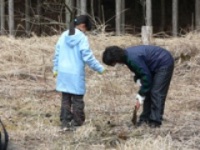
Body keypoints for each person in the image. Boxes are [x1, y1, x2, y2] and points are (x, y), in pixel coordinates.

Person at [102, 45, 174, 128]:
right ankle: (145, 118)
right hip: (153, 65)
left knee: (156, 92)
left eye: (114, 63)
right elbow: (139, 71)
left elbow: (146, 77)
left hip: (163, 62)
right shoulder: (126, 56)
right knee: (148, 92)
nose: (115, 64)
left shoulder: (132, 58)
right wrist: (138, 79)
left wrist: (140, 95)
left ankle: (155, 121)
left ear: (116, 59)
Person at [53, 15, 105, 130]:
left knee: (65, 97)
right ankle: (77, 122)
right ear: (83, 26)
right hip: (75, 73)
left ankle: (65, 121)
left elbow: (56, 53)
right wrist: (99, 68)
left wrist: (55, 69)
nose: (86, 31)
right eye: (86, 29)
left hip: (63, 72)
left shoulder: (63, 35)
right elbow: (87, 56)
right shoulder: (82, 38)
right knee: (77, 98)